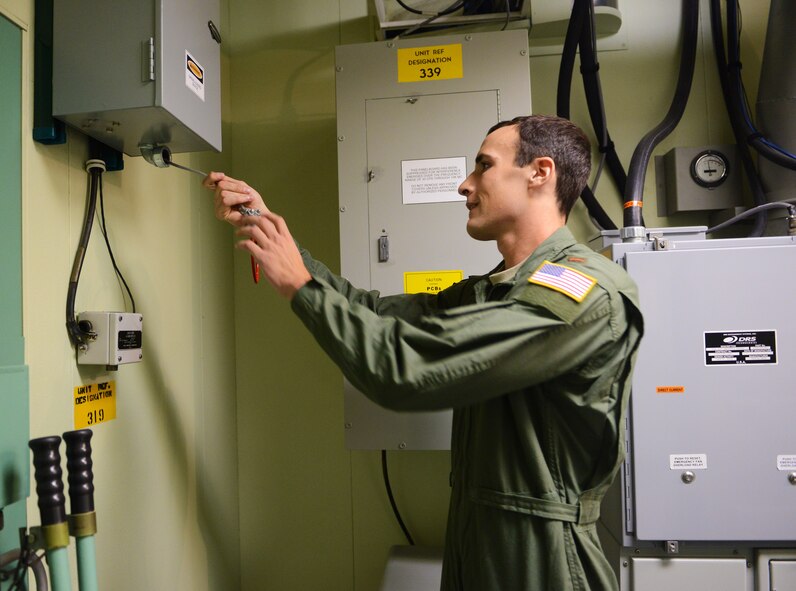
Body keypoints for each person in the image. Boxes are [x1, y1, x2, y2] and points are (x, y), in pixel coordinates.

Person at [205, 115, 644, 591]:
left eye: (483, 166)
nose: (465, 184)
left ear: (540, 172)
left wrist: (299, 287)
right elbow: (371, 311)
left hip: (544, 563)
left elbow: (405, 368)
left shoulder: (583, 291)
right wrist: (268, 229)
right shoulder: (491, 292)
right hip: (475, 547)